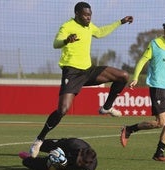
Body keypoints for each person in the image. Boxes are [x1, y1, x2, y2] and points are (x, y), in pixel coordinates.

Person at [29, 2, 133, 158]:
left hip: (88, 71)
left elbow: (100, 32)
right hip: (72, 73)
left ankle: (106, 107)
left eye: (90, 14)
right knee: (62, 110)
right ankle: (39, 139)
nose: (89, 17)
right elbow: (55, 43)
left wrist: (120, 22)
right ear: (77, 14)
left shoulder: (89, 26)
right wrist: (66, 41)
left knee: (123, 76)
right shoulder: (67, 26)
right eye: (86, 15)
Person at [120, 19, 165, 162]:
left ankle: (159, 153)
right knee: (161, 122)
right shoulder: (154, 44)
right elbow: (142, 61)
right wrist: (135, 78)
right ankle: (129, 129)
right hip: (157, 87)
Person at [19, 138, 97, 170]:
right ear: (80, 152)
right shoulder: (73, 143)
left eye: (82, 163)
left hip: (66, 161)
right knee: (42, 145)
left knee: (27, 162)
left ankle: (29, 157)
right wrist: (57, 152)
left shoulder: (89, 168)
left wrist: (62, 163)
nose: (80, 164)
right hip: (63, 146)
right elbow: (58, 145)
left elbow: (66, 169)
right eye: (80, 161)